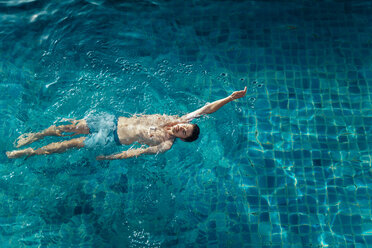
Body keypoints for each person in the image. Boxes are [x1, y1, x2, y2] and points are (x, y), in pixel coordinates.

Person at [6, 87, 247, 160]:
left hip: (111, 139)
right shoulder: (179, 119)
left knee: (68, 145)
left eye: (184, 132)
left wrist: (110, 157)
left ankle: (29, 151)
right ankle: (36, 135)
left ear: (183, 139)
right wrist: (229, 98)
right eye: (185, 127)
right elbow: (206, 109)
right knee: (68, 127)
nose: (181, 128)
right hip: (110, 121)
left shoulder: (167, 144)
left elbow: (138, 152)